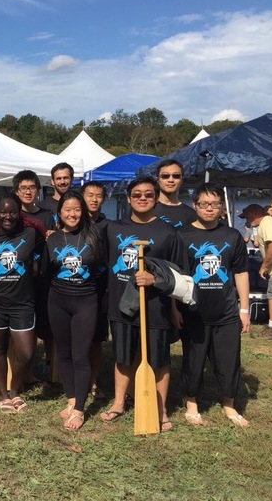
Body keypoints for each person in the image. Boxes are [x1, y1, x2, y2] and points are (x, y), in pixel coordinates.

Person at [100, 175, 185, 432]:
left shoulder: (168, 233)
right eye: (137, 195)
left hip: (156, 307)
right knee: (123, 358)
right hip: (121, 306)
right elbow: (101, 260)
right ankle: (118, 404)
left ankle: (161, 410)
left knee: (159, 360)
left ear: (156, 197)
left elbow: (178, 275)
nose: (143, 198)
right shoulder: (113, 229)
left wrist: (155, 279)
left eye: (148, 194)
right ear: (128, 198)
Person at [176, 184, 250, 427]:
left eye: (215, 204)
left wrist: (244, 309)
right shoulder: (183, 236)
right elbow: (177, 277)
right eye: (204, 204)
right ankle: (191, 403)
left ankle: (229, 405)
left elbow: (240, 273)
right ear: (195, 206)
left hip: (226, 312)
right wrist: (174, 309)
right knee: (193, 361)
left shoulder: (232, 236)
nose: (209, 208)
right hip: (193, 312)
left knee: (229, 361)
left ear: (222, 208)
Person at [44, 191, 105, 430]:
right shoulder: (52, 239)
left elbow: (103, 269)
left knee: (81, 356)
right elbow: (45, 273)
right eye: (67, 210)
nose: (72, 214)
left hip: (86, 302)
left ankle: (79, 409)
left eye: (77, 209)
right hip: (57, 301)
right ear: (59, 213)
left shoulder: (94, 237)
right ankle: (71, 400)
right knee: (64, 353)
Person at [0, 193, 44, 413]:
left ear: (19, 213)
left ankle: (16, 390)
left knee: (26, 352)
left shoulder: (30, 234)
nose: (7, 216)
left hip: (23, 302)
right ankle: (3, 396)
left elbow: (46, 248)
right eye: (3, 212)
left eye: (12, 212)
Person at [13, 170, 55, 383]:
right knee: (23, 326)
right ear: (17, 191)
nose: (28, 192)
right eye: (23, 188)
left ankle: (52, 366)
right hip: (20, 279)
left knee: (47, 324)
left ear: (38, 190)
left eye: (32, 187)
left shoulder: (47, 215)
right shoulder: (12, 215)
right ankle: (24, 372)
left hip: (45, 276)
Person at [81, 181, 108, 399]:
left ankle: (93, 381)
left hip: (99, 288)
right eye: (90, 194)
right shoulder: (72, 222)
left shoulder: (108, 226)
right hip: (75, 287)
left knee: (96, 339)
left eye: (98, 195)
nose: (94, 199)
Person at [240, 204, 272, 337]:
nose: (247, 221)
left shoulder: (267, 224)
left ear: (254, 215)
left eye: (247, 217)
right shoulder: (269, 223)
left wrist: (264, 266)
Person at [153, 159, 197, 229]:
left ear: (182, 180)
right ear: (157, 180)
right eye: (165, 176)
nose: (171, 180)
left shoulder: (191, 214)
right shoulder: (148, 208)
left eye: (176, 176)